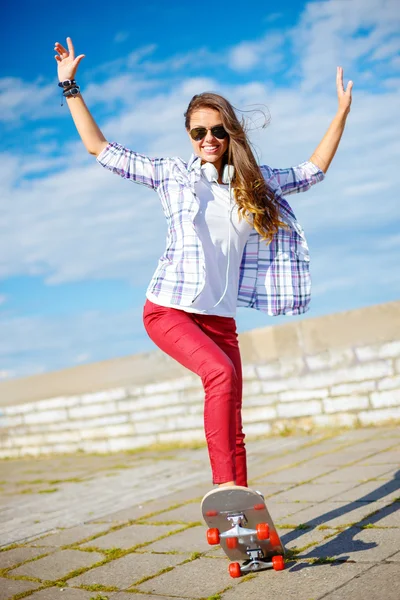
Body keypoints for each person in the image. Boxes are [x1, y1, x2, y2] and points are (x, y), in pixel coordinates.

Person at [54, 37, 353, 491]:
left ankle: (242, 514)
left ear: (230, 133)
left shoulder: (256, 183)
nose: (208, 139)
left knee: (233, 416)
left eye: (217, 131)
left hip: (220, 320)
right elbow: (101, 149)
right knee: (220, 374)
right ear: (190, 137)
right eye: (199, 132)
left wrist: (341, 116)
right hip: (169, 309)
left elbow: (312, 170)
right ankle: (225, 492)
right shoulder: (171, 174)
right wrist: (70, 87)